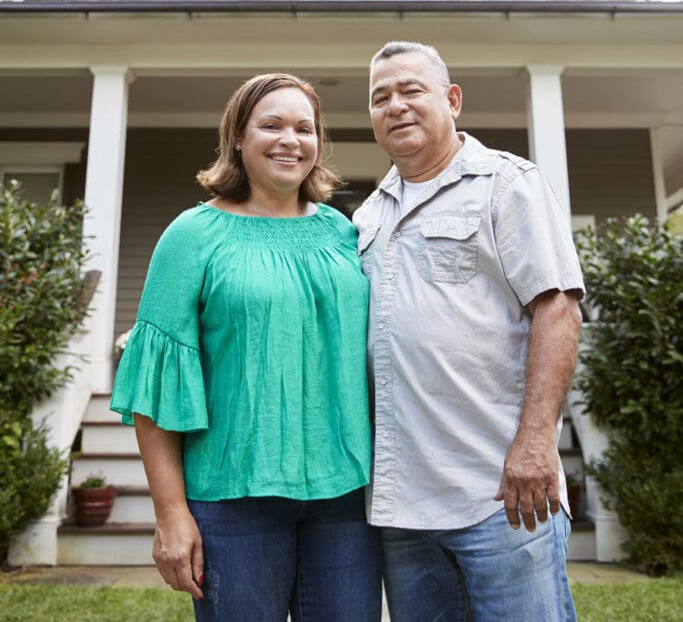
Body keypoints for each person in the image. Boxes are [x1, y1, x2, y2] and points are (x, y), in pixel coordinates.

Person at [111, 73, 382, 622]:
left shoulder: (344, 233)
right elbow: (155, 389)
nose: (291, 140)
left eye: (305, 128)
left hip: (346, 499)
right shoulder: (192, 235)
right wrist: (170, 514)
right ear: (238, 136)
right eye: (272, 125)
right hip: (232, 499)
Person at [353, 41, 584, 622]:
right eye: (381, 97)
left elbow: (557, 309)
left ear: (452, 100)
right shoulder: (367, 217)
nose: (396, 106)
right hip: (402, 506)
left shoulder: (506, 185)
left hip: (502, 493)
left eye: (412, 91)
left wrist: (536, 444)